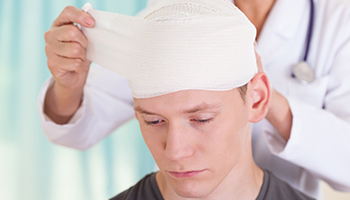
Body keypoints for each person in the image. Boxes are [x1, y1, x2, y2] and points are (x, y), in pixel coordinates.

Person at [39, 0, 350, 199]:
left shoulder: (336, 21)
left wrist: (264, 98)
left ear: (258, 97)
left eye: (201, 118)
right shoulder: (172, 16)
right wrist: (69, 85)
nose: (176, 152)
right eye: (155, 121)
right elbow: (79, 126)